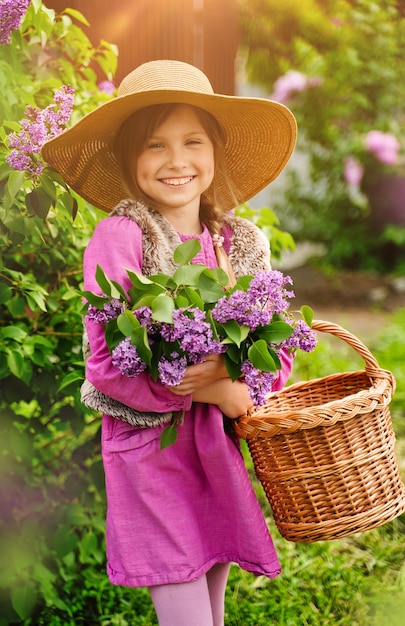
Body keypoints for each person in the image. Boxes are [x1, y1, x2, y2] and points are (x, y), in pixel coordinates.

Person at [42, 59, 297, 626]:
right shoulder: (122, 236)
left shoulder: (240, 243)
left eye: (193, 142)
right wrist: (207, 392)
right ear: (131, 158)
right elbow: (108, 365)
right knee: (183, 612)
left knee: (211, 603)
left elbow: (275, 351)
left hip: (215, 451)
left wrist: (240, 385)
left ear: (215, 152)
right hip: (152, 455)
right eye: (155, 145)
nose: (177, 161)